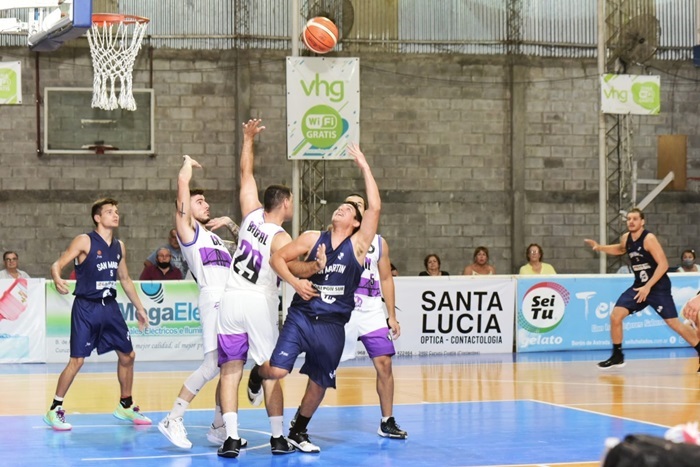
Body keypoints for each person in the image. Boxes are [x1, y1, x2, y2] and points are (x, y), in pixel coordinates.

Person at [255, 143, 380, 453]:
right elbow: (277, 259)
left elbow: (375, 208)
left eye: (348, 210)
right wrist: (297, 282)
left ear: (356, 223)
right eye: (340, 207)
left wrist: (364, 165)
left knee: (320, 383)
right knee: (277, 371)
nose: (341, 209)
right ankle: (258, 373)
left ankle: (298, 430)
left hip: (332, 325)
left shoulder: (358, 247)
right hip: (302, 316)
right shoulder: (312, 238)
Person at [215, 119, 295, 458]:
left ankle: (231, 439)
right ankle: (277, 438)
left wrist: (247, 138)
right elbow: (290, 269)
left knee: (229, 370)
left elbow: (246, 174)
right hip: (259, 302)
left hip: (231, 298)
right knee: (271, 371)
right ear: (285, 203)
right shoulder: (282, 238)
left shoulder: (250, 215)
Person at [157, 155, 244, 449]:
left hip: (230, 300)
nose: (206, 205)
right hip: (212, 298)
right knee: (211, 364)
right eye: (199, 201)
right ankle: (173, 418)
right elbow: (182, 184)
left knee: (229, 364)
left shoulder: (214, 239)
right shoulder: (188, 232)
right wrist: (187, 164)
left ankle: (219, 427)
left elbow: (246, 246)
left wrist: (230, 223)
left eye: (206, 201)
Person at [44, 198, 151, 431]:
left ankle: (125, 405)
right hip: (86, 307)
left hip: (110, 307)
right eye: (110, 211)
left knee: (128, 355)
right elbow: (57, 265)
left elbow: (125, 279)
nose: (115, 214)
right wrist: (56, 277)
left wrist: (140, 308)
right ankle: (54, 409)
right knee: (77, 361)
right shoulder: (85, 240)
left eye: (117, 211)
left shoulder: (119, 246)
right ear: (97, 217)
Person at [584, 208, 700, 372]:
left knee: (674, 323)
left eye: (635, 219)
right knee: (615, 316)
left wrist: (648, 287)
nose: (631, 222)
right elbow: (620, 249)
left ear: (642, 221)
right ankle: (617, 355)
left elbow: (663, 265)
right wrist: (599, 247)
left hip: (657, 287)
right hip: (640, 286)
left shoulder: (649, 239)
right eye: (629, 219)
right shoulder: (626, 238)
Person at [337, 193, 407, 439]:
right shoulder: (337, 237)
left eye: (358, 203)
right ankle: (301, 422)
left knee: (384, 363)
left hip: (371, 310)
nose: (353, 206)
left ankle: (387, 421)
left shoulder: (378, 242)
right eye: (349, 204)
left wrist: (391, 315)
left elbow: (386, 278)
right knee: (325, 365)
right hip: (343, 309)